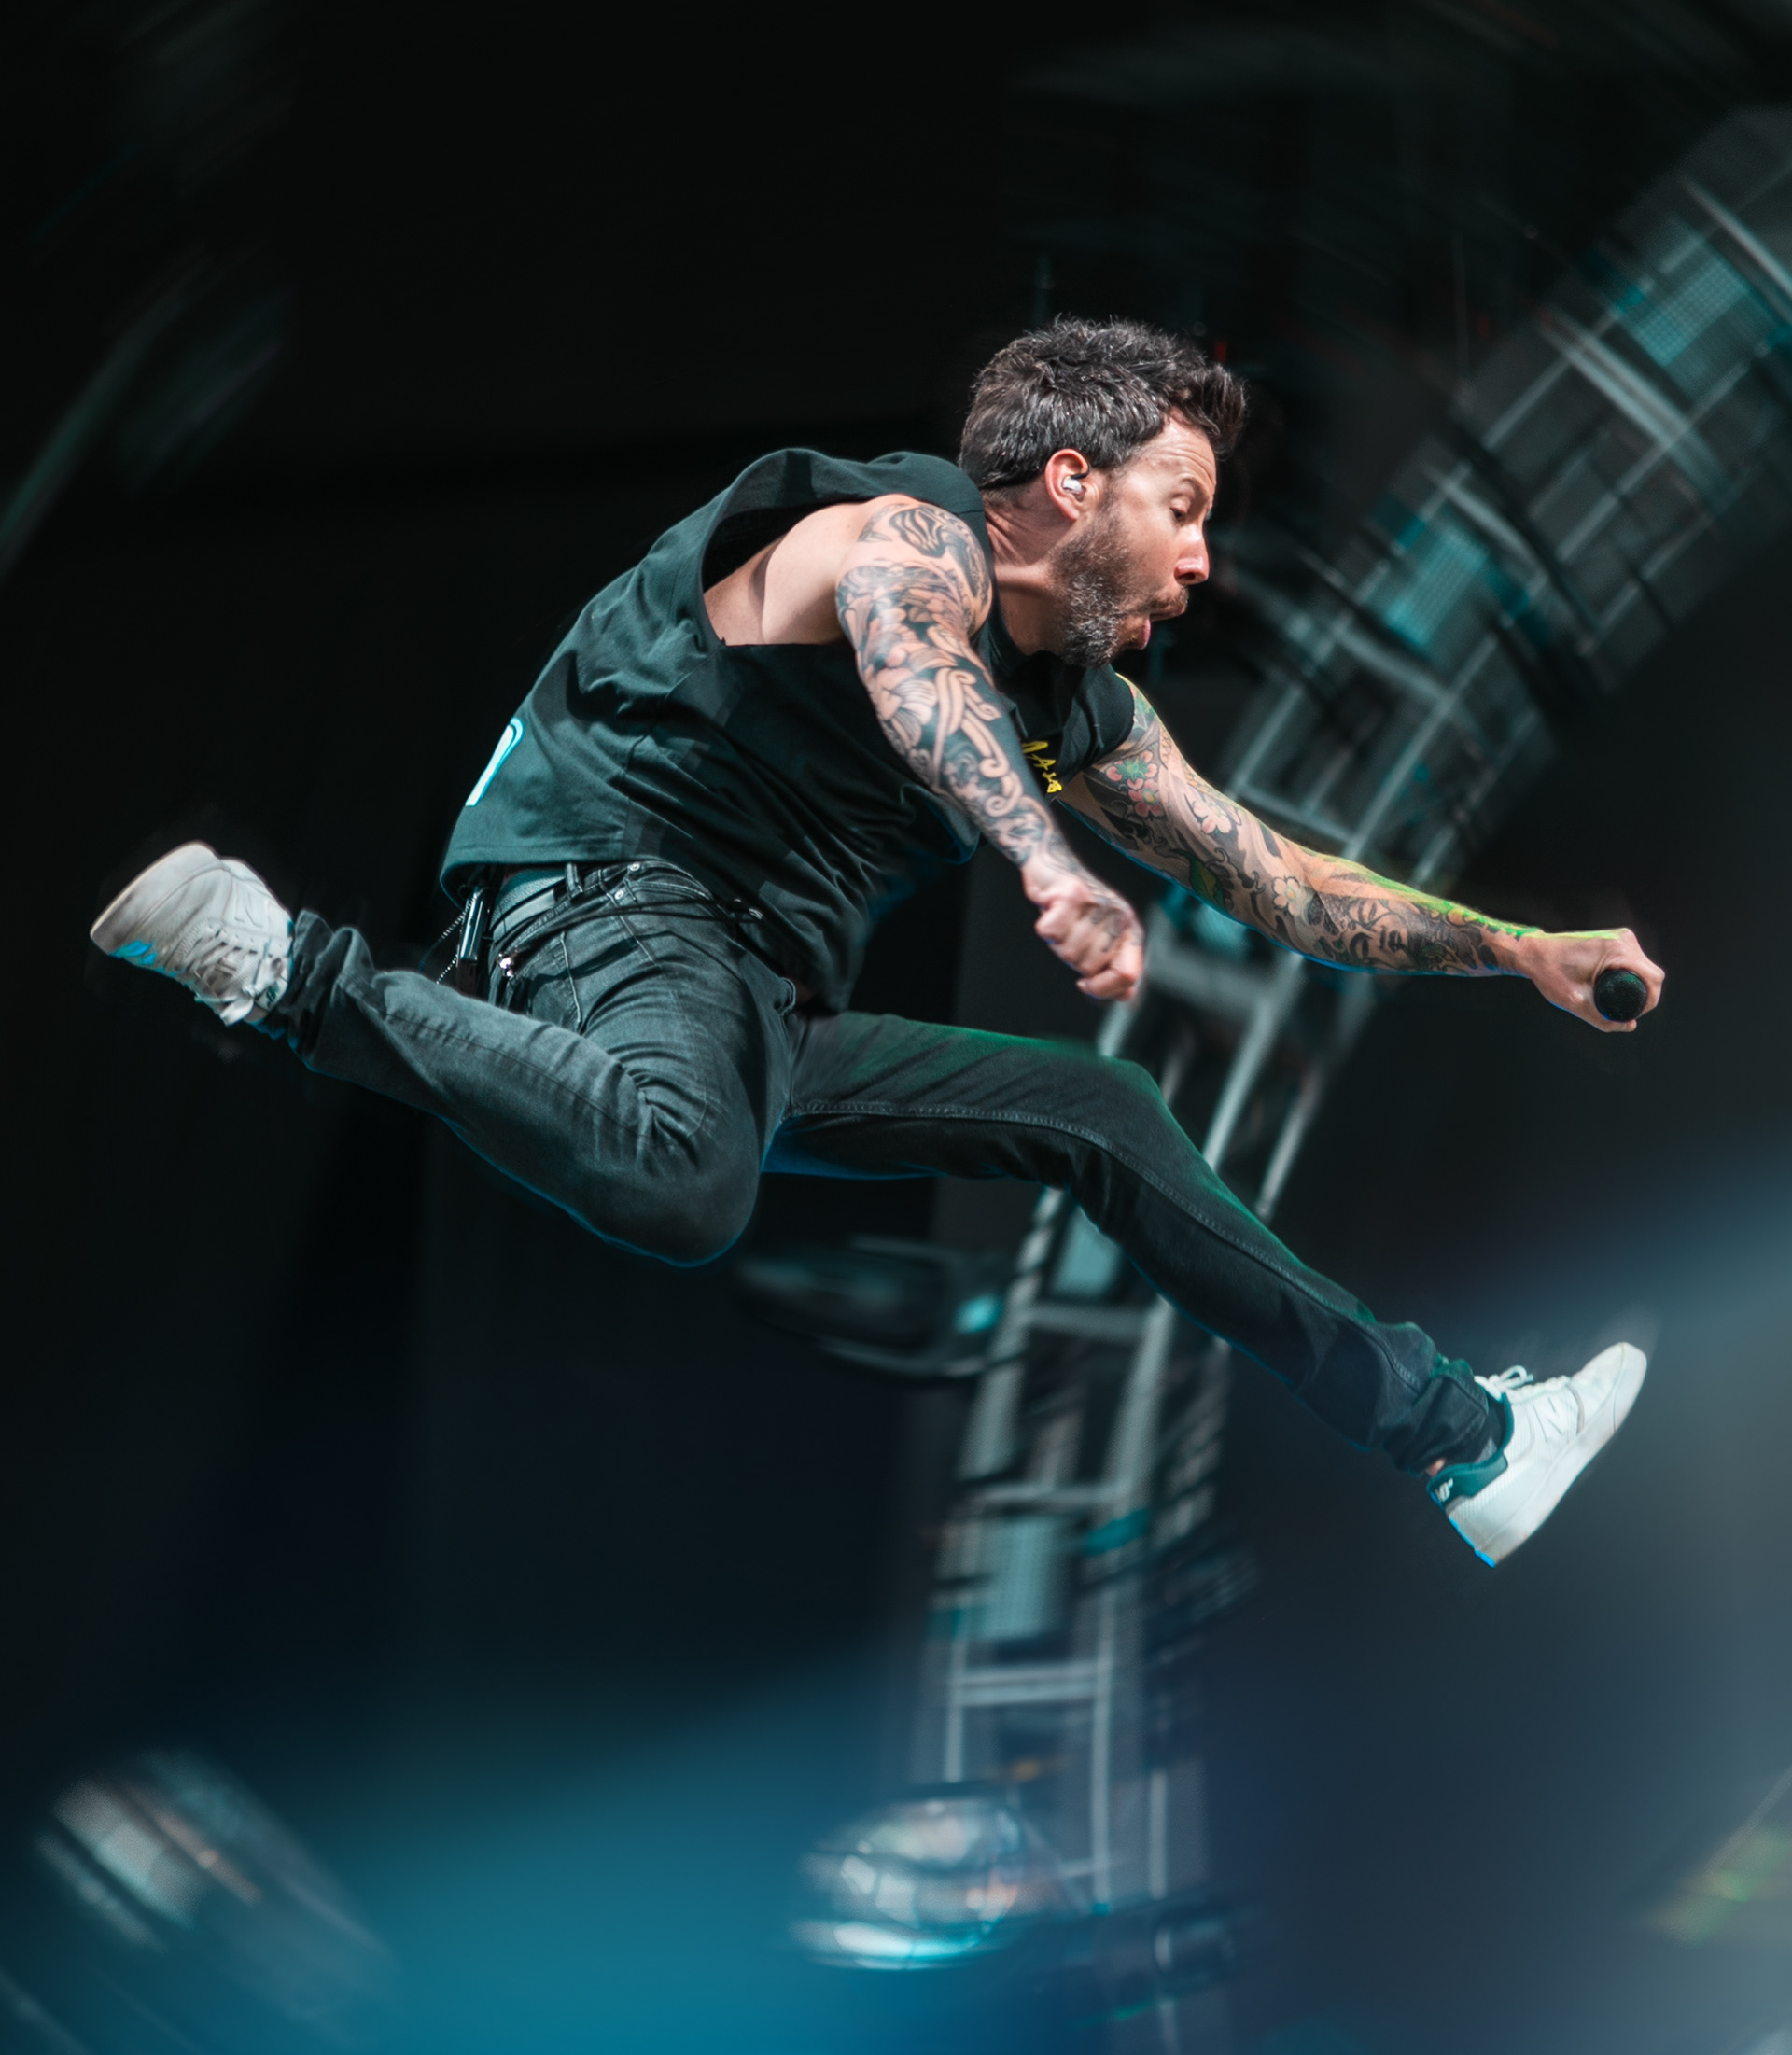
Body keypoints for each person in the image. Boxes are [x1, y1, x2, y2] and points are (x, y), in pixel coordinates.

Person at [89, 318, 1662, 1566]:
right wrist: (1044, 861)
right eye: (1180, 510)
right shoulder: (897, 532)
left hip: (750, 997)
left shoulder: (1084, 709)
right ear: (1071, 483)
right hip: (597, 899)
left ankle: (1463, 1440)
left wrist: (1517, 947)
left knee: (1101, 1114)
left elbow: (1283, 884)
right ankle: (290, 968)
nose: (1202, 562)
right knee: (686, 1175)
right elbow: (916, 668)